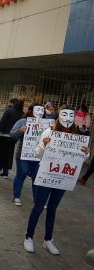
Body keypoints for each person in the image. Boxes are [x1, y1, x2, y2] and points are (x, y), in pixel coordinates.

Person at [23, 105, 90, 255]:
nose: (68, 118)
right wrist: (44, 145)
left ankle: (48, 240)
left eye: (71, 115)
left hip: (62, 177)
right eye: (64, 115)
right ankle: (29, 237)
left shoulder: (76, 135)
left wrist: (86, 153)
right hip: (46, 174)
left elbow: (80, 158)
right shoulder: (49, 131)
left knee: (52, 209)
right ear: (59, 116)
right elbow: (38, 154)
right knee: (39, 207)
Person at [10, 103, 44, 206]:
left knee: (36, 176)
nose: (40, 113)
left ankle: (37, 198)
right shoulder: (23, 121)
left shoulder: (46, 124)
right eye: (37, 110)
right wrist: (20, 130)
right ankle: (16, 196)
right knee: (22, 173)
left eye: (42, 111)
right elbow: (12, 134)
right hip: (23, 154)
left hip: (37, 156)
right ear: (31, 111)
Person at [0, 98, 24, 178]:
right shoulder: (22, 113)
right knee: (9, 153)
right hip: (15, 137)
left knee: (2, 152)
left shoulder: (9, 111)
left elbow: (2, 122)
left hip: (5, 134)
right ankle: (5, 171)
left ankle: (2, 169)